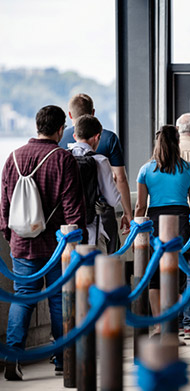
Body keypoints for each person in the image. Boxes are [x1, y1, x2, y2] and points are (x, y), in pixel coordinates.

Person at [1, 105, 86, 380]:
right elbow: (74, 210)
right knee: (60, 300)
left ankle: (13, 356)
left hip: (21, 244)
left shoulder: (12, 157)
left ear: (37, 125)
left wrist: (11, 236)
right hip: (57, 247)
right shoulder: (63, 159)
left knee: (23, 297)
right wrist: (78, 241)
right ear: (61, 129)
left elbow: (4, 208)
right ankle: (63, 358)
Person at [134, 125, 190, 342]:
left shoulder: (145, 170)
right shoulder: (189, 169)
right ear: (177, 143)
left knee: (154, 276)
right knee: (177, 275)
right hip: (180, 221)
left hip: (153, 223)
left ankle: (159, 327)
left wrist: (136, 234)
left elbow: (140, 207)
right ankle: (172, 326)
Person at [59, 93, 134, 252]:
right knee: (108, 259)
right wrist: (128, 213)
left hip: (68, 217)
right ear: (93, 112)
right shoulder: (109, 138)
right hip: (100, 214)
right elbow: (120, 178)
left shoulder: (61, 139)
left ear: (70, 114)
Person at [69, 115, 121, 251]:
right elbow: (114, 200)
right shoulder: (100, 161)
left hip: (67, 235)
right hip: (92, 234)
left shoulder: (63, 158)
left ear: (75, 136)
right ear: (97, 137)